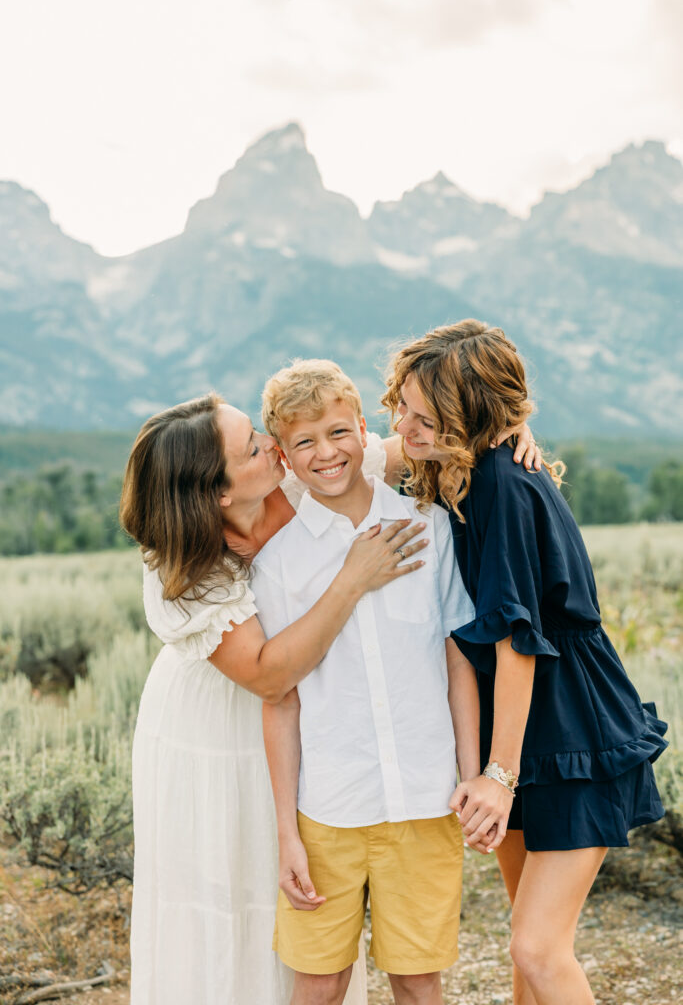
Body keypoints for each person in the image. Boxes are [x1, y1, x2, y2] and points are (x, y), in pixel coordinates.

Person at [382, 319, 668, 1005]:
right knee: (525, 948)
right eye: (400, 404)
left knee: (536, 949)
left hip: (570, 728)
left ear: (469, 419)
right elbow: (358, 455)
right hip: (523, 730)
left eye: (423, 416)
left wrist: (496, 776)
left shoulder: (501, 487)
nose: (401, 424)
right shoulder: (460, 468)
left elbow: (517, 642)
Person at [119, 392, 428, 1005]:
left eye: (258, 431)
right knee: (230, 879)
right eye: (254, 446)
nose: (274, 445)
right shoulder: (181, 569)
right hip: (215, 725)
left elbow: (427, 445)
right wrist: (352, 578)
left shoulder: (311, 469)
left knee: (310, 886)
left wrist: (512, 424)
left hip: (304, 709)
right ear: (219, 494)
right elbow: (265, 677)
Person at [253, 359, 480, 1005]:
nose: (325, 453)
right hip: (329, 807)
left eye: (336, 432)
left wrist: (468, 774)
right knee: (320, 982)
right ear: (284, 457)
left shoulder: (428, 526)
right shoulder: (279, 564)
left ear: (362, 429)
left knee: (416, 980)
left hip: (425, 798)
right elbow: (281, 700)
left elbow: (455, 659)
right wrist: (286, 835)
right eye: (303, 442)